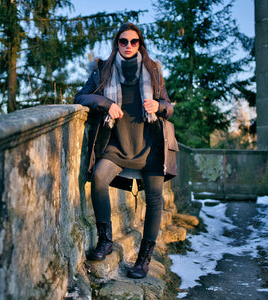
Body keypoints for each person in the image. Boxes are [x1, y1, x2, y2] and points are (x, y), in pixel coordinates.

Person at [74, 23, 177, 279]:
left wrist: (159, 105)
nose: (129, 46)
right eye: (123, 41)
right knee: (98, 178)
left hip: (150, 147)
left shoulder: (153, 71)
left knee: (154, 201)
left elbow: (169, 106)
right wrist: (105, 103)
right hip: (116, 146)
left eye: (134, 41)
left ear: (140, 43)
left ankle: (143, 259)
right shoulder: (103, 70)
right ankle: (105, 240)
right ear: (116, 43)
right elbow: (80, 97)